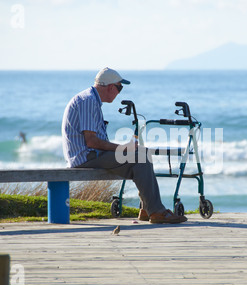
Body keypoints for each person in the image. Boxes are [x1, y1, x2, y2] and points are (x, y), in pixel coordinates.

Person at [62, 67, 187, 224]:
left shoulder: (90, 99)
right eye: (120, 88)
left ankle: (147, 209)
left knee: (143, 154)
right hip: (86, 157)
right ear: (110, 87)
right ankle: (156, 211)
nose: (119, 92)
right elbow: (91, 142)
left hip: (91, 154)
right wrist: (123, 148)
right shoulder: (88, 101)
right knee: (140, 157)